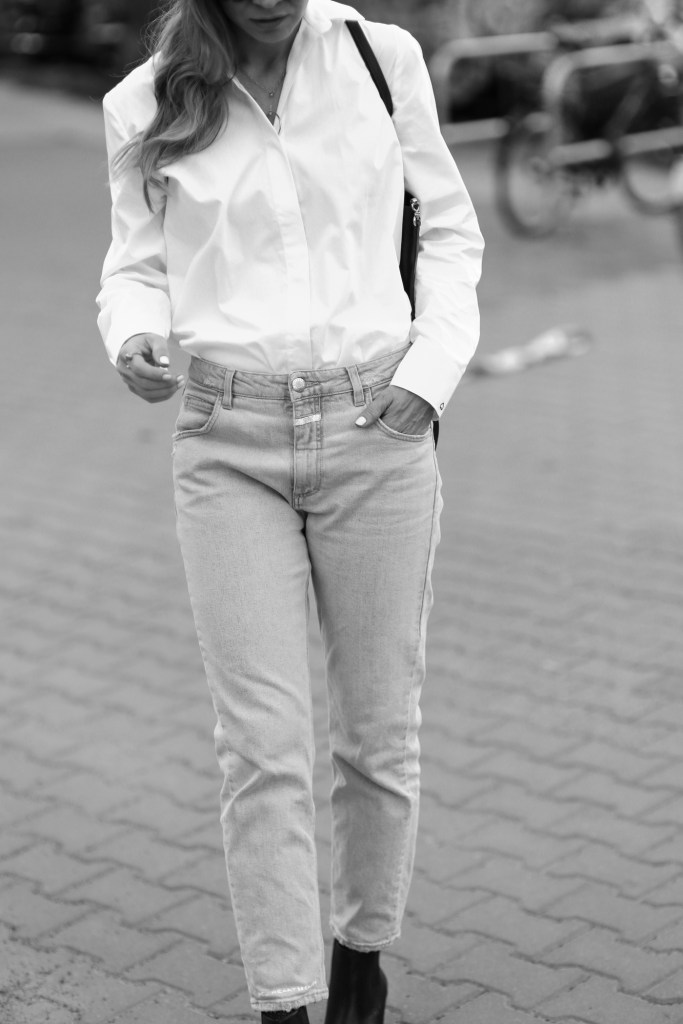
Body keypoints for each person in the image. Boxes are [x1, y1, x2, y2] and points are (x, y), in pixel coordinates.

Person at [96, 1, 483, 1021]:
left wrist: (430, 375)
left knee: (377, 734)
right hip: (226, 441)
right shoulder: (144, 100)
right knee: (262, 750)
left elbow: (448, 227)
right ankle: (283, 1001)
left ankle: (360, 958)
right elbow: (135, 262)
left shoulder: (378, 58)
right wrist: (132, 333)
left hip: (377, 429)